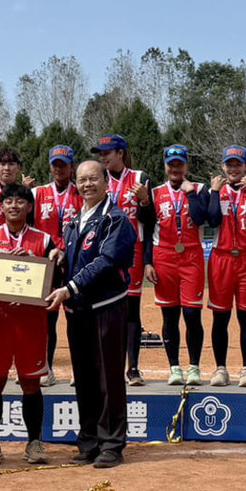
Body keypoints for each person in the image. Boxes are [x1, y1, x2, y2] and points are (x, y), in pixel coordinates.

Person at [46, 160, 136, 469]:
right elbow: (78, 258)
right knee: (84, 377)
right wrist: (60, 255)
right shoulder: (75, 221)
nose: (87, 184)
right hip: (78, 310)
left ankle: (111, 443)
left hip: (106, 307)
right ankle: (89, 440)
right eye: (82, 180)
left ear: (106, 181)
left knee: (108, 377)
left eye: (93, 178)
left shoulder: (115, 219)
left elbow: (106, 261)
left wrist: (69, 288)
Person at [0, 183, 57, 465]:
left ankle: (34, 443)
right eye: (8, 201)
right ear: (0, 206)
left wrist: (36, 264)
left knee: (31, 383)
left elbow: (54, 282)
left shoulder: (44, 240)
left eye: (20, 201)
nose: (14, 206)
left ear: (29, 207)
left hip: (31, 321)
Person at [92, 134, 155, 386]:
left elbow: (149, 222)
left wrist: (145, 200)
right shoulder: (97, 179)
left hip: (132, 251)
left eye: (107, 152)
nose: (103, 157)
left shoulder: (139, 178)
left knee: (130, 310)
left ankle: (133, 368)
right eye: (100, 153)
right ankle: (107, 366)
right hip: (102, 251)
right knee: (102, 308)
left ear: (120, 153)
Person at [144, 144, 209, 386]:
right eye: (171, 165)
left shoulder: (199, 189)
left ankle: (194, 367)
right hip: (164, 257)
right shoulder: (155, 193)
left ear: (186, 166)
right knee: (169, 315)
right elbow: (147, 230)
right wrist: (147, 262)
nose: (175, 169)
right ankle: (174, 367)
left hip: (191, 256)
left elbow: (201, 218)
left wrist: (190, 193)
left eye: (180, 164)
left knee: (192, 313)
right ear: (165, 167)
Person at [206, 146, 246, 386]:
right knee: (220, 316)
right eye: (229, 164)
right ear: (223, 167)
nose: (234, 169)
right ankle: (221, 368)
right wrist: (214, 192)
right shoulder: (216, 191)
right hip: (222, 258)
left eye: (238, 164)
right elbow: (212, 220)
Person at [31, 145, 82, 386]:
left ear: (72, 167)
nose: (59, 169)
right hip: (47, 264)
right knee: (47, 319)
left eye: (63, 165)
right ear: (50, 167)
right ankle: (46, 367)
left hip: (74, 262)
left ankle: (79, 368)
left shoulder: (81, 193)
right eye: (55, 165)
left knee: (76, 318)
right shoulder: (37, 193)